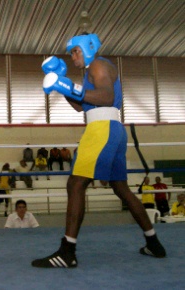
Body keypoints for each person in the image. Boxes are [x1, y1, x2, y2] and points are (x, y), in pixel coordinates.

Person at [32, 33, 166, 268]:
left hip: (102, 128)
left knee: (76, 184)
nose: (72, 56)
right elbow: (79, 106)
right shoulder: (89, 72)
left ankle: (67, 252)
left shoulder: (99, 65)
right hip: (111, 128)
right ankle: (153, 242)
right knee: (121, 188)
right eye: (71, 52)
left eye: (76, 51)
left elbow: (106, 96)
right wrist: (61, 83)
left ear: (88, 48)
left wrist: (69, 85)